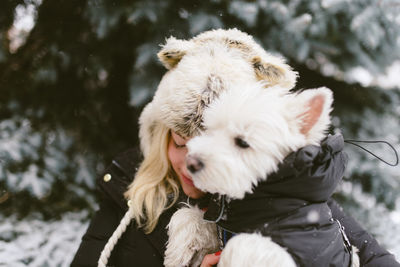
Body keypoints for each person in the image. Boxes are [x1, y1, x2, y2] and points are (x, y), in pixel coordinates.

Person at [71, 29, 400, 267]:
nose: (192, 160)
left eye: (234, 143)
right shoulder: (131, 193)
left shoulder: (293, 200)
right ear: (161, 136)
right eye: (181, 142)